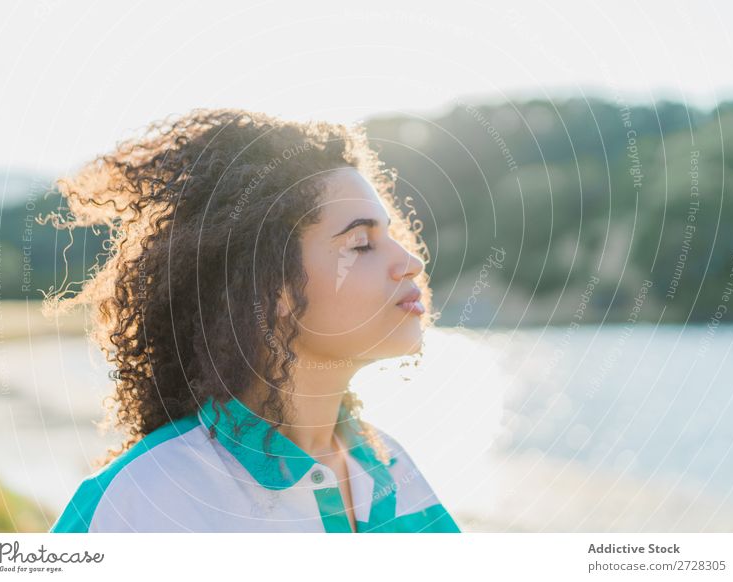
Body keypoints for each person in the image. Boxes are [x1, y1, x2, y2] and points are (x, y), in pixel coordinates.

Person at [46, 108, 460, 533]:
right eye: (361, 243)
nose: (410, 262)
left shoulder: (395, 469)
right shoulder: (144, 503)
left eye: (391, 235)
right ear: (271, 288)